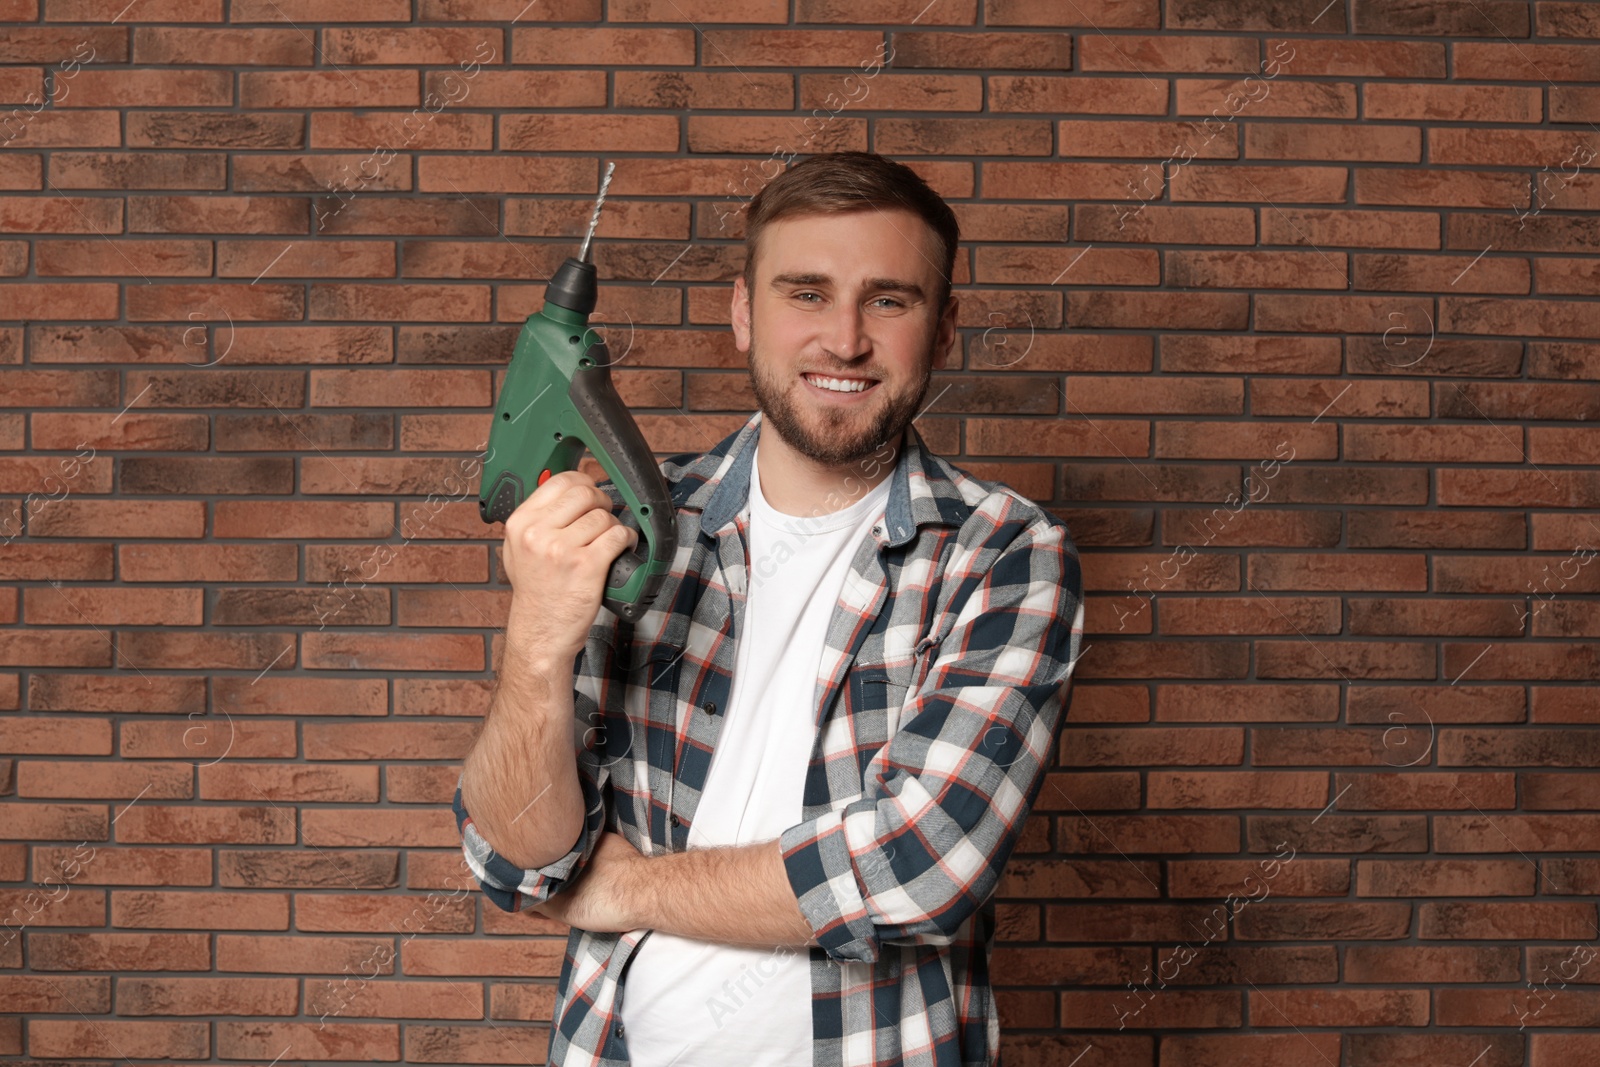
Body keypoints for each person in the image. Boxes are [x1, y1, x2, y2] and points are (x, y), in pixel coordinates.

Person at [453, 150, 1084, 1067]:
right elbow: (517, 861)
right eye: (806, 293)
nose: (845, 340)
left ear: (944, 329)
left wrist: (626, 890)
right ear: (743, 311)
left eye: (889, 300)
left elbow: (919, 866)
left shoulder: (1004, 554)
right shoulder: (633, 527)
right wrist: (538, 643)